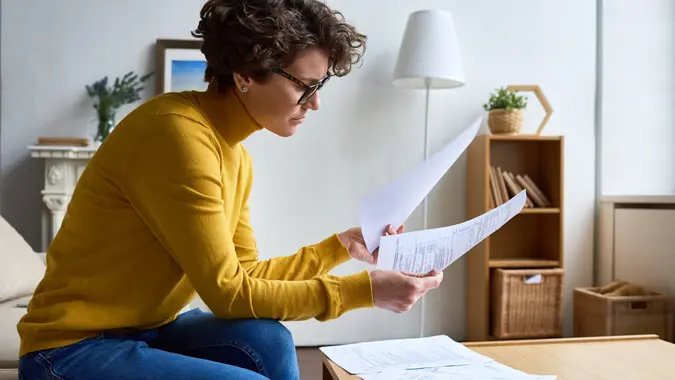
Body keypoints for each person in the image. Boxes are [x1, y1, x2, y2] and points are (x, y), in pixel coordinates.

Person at [17, 0, 444, 379]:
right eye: (304, 85)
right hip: (69, 350)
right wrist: (364, 292)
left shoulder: (235, 155)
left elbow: (246, 275)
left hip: (149, 328)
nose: (314, 103)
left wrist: (339, 247)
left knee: (269, 339)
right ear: (245, 74)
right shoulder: (176, 136)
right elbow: (229, 295)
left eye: (320, 86)